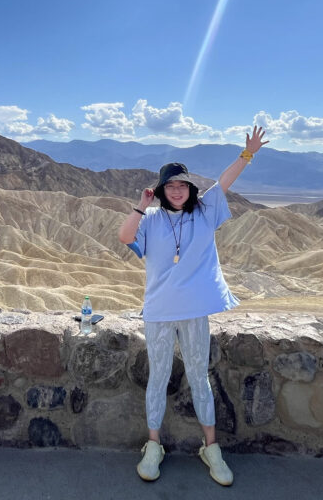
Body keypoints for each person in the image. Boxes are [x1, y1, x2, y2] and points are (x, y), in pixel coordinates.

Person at [118, 125, 267, 486]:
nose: (177, 190)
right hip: (158, 313)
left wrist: (247, 153)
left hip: (194, 311)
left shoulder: (204, 212)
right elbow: (124, 236)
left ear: (190, 188)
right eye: (170, 186)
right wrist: (141, 204)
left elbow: (225, 182)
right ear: (161, 190)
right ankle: (153, 446)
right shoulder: (150, 219)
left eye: (182, 185)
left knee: (200, 377)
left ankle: (211, 448)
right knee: (158, 377)